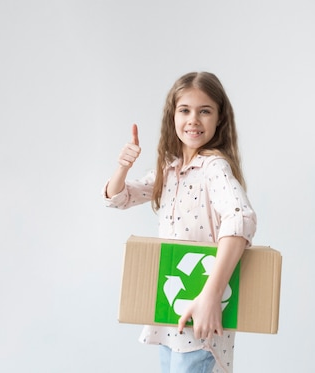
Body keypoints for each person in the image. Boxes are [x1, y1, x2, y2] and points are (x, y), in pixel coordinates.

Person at [103, 72, 256, 373]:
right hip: (170, 314)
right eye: (185, 110)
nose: (193, 120)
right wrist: (122, 167)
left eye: (205, 111)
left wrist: (210, 297)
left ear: (219, 119)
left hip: (201, 311)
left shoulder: (214, 168)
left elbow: (240, 219)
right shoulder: (170, 168)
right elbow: (119, 198)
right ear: (173, 116)